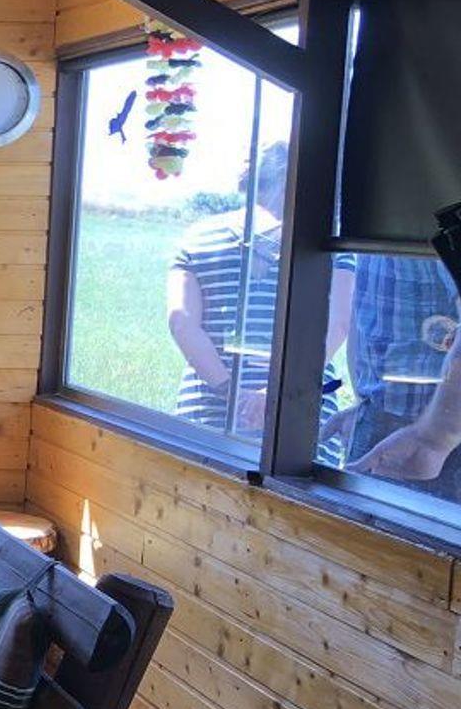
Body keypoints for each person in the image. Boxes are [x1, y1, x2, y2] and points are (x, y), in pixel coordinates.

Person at [167, 141, 353, 443]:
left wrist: (233, 394)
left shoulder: (198, 237)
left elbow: (181, 324)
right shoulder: (328, 243)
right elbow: (338, 325)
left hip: (206, 415)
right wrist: (278, 391)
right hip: (299, 415)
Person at [345, 253, 461, 500]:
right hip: (390, 423)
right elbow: (369, 309)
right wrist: (365, 403)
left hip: (434, 448)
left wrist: (436, 436)